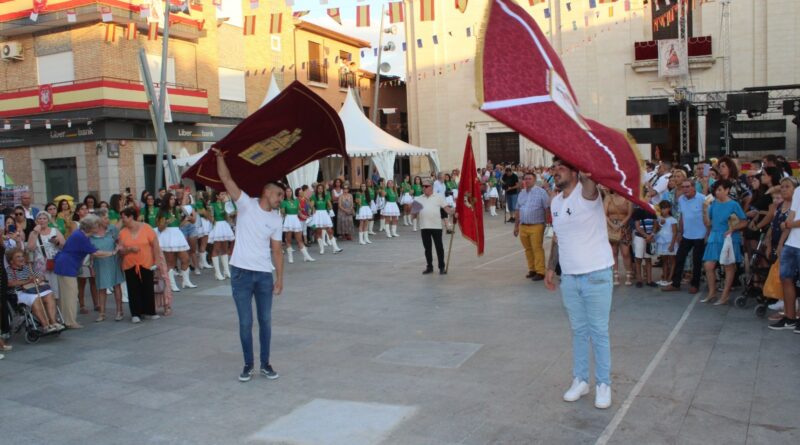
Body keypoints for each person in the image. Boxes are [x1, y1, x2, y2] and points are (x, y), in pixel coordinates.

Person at [544, 158, 615, 410]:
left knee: (598, 331)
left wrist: (582, 159)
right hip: (570, 278)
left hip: (596, 274)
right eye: (554, 168)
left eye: (561, 167)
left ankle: (604, 384)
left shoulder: (587, 195)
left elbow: (590, 183)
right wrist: (551, 268)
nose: (556, 172)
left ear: (575, 172)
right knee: (578, 331)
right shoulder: (555, 202)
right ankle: (581, 379)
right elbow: (558, 238)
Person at [214, 148, 284, 382]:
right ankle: (248, 365)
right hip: (241, 273)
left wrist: (280, 278)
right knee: (246, 322)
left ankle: (265, 364)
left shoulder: (277, 218)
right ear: (267, 192)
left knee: (265, 321)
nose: (280, 200)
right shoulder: (246, 204)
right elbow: (226, 179)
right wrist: (220, 157)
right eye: (278, 195)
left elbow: (277, 250)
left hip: (264, 275)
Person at [54, 214, 115, 329]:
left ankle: (65, 319)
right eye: (97, 225)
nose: (99, 227)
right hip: (67, 265)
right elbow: (96, 253)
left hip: (64, 264)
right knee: (71, 295)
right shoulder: (81, 236)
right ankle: (70, 322)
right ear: (91, 227)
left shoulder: (80, 235)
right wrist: (112, 253)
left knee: (66, 295)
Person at [701, 180, 748, 305]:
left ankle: (725, 294)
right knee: (708, 265)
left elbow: (744, 221)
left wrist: (732, 229)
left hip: (729, 237)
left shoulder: (734, 204)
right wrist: (705, 210)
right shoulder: (713, 204)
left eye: (720, 189)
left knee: (728, 266)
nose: (717, 192)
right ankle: (712, 293)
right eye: (716, 190)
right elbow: (708, 223)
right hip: (715, 236)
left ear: (727, 190)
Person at [662, 179, 707, 293]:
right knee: (679, 259)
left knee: (697, 262)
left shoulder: (703, 199)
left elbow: (708, 217)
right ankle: (675, 284)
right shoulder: (681, 199)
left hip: (700, 236)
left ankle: (695, 285)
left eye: (687, 187)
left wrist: (707, 234)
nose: (685, 189)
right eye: (683, 187)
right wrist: (679, 233)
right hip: (686, 235)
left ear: (693, 187)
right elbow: (682, 217)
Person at [118, 207, 162, 323]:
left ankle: (150, 311)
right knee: (133, 289)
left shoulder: (146, 228)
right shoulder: (122, 232)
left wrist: (157, 261)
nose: (122, 220)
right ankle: (135, 313)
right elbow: (120, 250)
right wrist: (130, 249)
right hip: (130, 264)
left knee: (147, 287)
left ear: (131, 217)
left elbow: (155, 245)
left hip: (146, 262)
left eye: (123, 218)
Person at [6, 248, 63, 333]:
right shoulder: (8, 271)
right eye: (18, 257)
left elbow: (40, 276)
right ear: (11, 261)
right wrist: (28, 281)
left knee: (50, 294)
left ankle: (54, 322)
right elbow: (10, 283)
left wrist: (39, 279)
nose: (21, 258)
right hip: (20, 292)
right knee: (35, 298)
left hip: (33, 290)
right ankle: (45, 325)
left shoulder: (27, 267)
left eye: (22, 256)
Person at [90, 209, 126, 322]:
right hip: (99, 263)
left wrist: (118, 248)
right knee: (101, 288)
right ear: (98, 220)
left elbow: (119, 241)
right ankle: (102, 313)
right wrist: (91, 266)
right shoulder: (91, 233)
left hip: (113, 261)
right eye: (105, 218)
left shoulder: (112, 229)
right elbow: (90, 251)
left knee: (116, 286)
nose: (108, 220)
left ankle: (119, 311)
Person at [513, 173, 550, 281]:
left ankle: (540, 271)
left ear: (534, 180)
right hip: (523, 225)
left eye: (529, 179)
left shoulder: (541, 192)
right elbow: (518, 210)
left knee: (537, 248)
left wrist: (548, 223)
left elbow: (547, 208)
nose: (527, 181)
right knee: (528, 249)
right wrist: (516, 226)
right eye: (525, 179)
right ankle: (532, 269)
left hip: (537, 225)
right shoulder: (521, 193)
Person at [413, 178, 454, 275]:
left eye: (426, 186)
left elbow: (448, 210)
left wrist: (455, 211)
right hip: (424, 227)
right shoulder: (418, 198)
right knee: (427, 248)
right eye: (423, 186)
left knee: (439, 247)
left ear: (431, 187)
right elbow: (414, 215)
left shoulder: (438, 197)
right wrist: (413, 210)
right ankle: (429, 266)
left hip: (436, 227)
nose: (424, 188)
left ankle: (441, 267)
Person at [157, 192, 196, 291]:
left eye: (174, 199)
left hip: (177, 235)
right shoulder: (162, 212)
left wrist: (186, 220)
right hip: (167, 236)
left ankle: (186, 281)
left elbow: (178, 225)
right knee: (171, 262)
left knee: (186, 259)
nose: (173, 201)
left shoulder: (176, 211)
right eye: (171, 199)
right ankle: (172, 284)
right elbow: (160, 228)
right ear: (166, 200)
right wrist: (166, 222)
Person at [27, 212, 64, 297]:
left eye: (44, 218)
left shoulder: (55, 230)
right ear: (36, 221)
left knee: (57, 290)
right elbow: (30, 249)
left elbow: (64, 246)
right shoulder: (33, 233)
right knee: (44, 291)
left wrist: (57, 242)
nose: (42, 221)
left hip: (55, 263)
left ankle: (56, 309)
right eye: (40, 219)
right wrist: (36, 233)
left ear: (48, 220)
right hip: (40, 266)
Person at [604, 189, 633, 286]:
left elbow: (629, 214)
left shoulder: (628, 198)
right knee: (614, 252)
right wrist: (612, 225)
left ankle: (628, 274)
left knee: (626, 253)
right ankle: (616, 275)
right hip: (611, 228)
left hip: (624, 228)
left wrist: (620, 225)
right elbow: (604, 214)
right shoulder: (608, 198)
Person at [281, 187, 314, 263]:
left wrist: (305, 216)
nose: (289, 193)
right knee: (288, 240)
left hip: (295, 219)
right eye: (287, 191)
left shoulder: (296, 201)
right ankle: (290, 257)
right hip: (288, 219)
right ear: (285, 193)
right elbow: (283, 213)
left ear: (292, 192)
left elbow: (299, 212)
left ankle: (307, 257)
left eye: (290, 191)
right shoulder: (283, 202)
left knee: (299, 239)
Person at [208, 191, 236, 280]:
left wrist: (229, 208)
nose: (223, 196)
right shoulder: (212, 205)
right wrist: (211, 215)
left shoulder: (226, 204)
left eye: (224, 194)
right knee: (216, 249)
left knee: (225, 248)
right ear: (217, 196)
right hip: (217, 226)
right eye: (222, 194)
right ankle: (217, 272)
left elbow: (229, 217)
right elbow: (211, 219)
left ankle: (226, 271)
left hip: (224, 225)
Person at [310, 184, 342, 254]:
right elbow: (311, 205)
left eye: (321, 188)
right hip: (318, 214)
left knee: (330, 230)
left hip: (324, 213)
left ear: (323, 189)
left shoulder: (326, 196)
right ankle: (322, 249)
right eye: (319, 188)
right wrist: (312, 206)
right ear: (317, 189)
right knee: (318, 232)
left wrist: (329, 205)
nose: (320, 190)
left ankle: (335, 248)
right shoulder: (314, 196)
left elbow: (330, 205)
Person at [632, 204, 657, 288]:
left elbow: (655, 224)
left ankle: (649, 280)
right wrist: (647, 236)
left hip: (649, 237)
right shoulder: (638, 211)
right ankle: (639, 280)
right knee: (638, 259)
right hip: (640, 237)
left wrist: (652, 235)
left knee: (648, 259)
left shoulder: (652, 210)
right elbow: (637, 227)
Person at [654, 201, 678, 286]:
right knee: (664, 260)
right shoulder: (659, 219)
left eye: (665, 208)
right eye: (662, 208)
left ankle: (670, 278)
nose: (664, 210)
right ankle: (664, 277)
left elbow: (675, 232)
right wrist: (660, 223)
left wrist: (672, 244)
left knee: (672, 260)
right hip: (662, 241)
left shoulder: (673, 219)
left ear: (669, 209)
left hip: (670, 242)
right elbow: (657, 229)